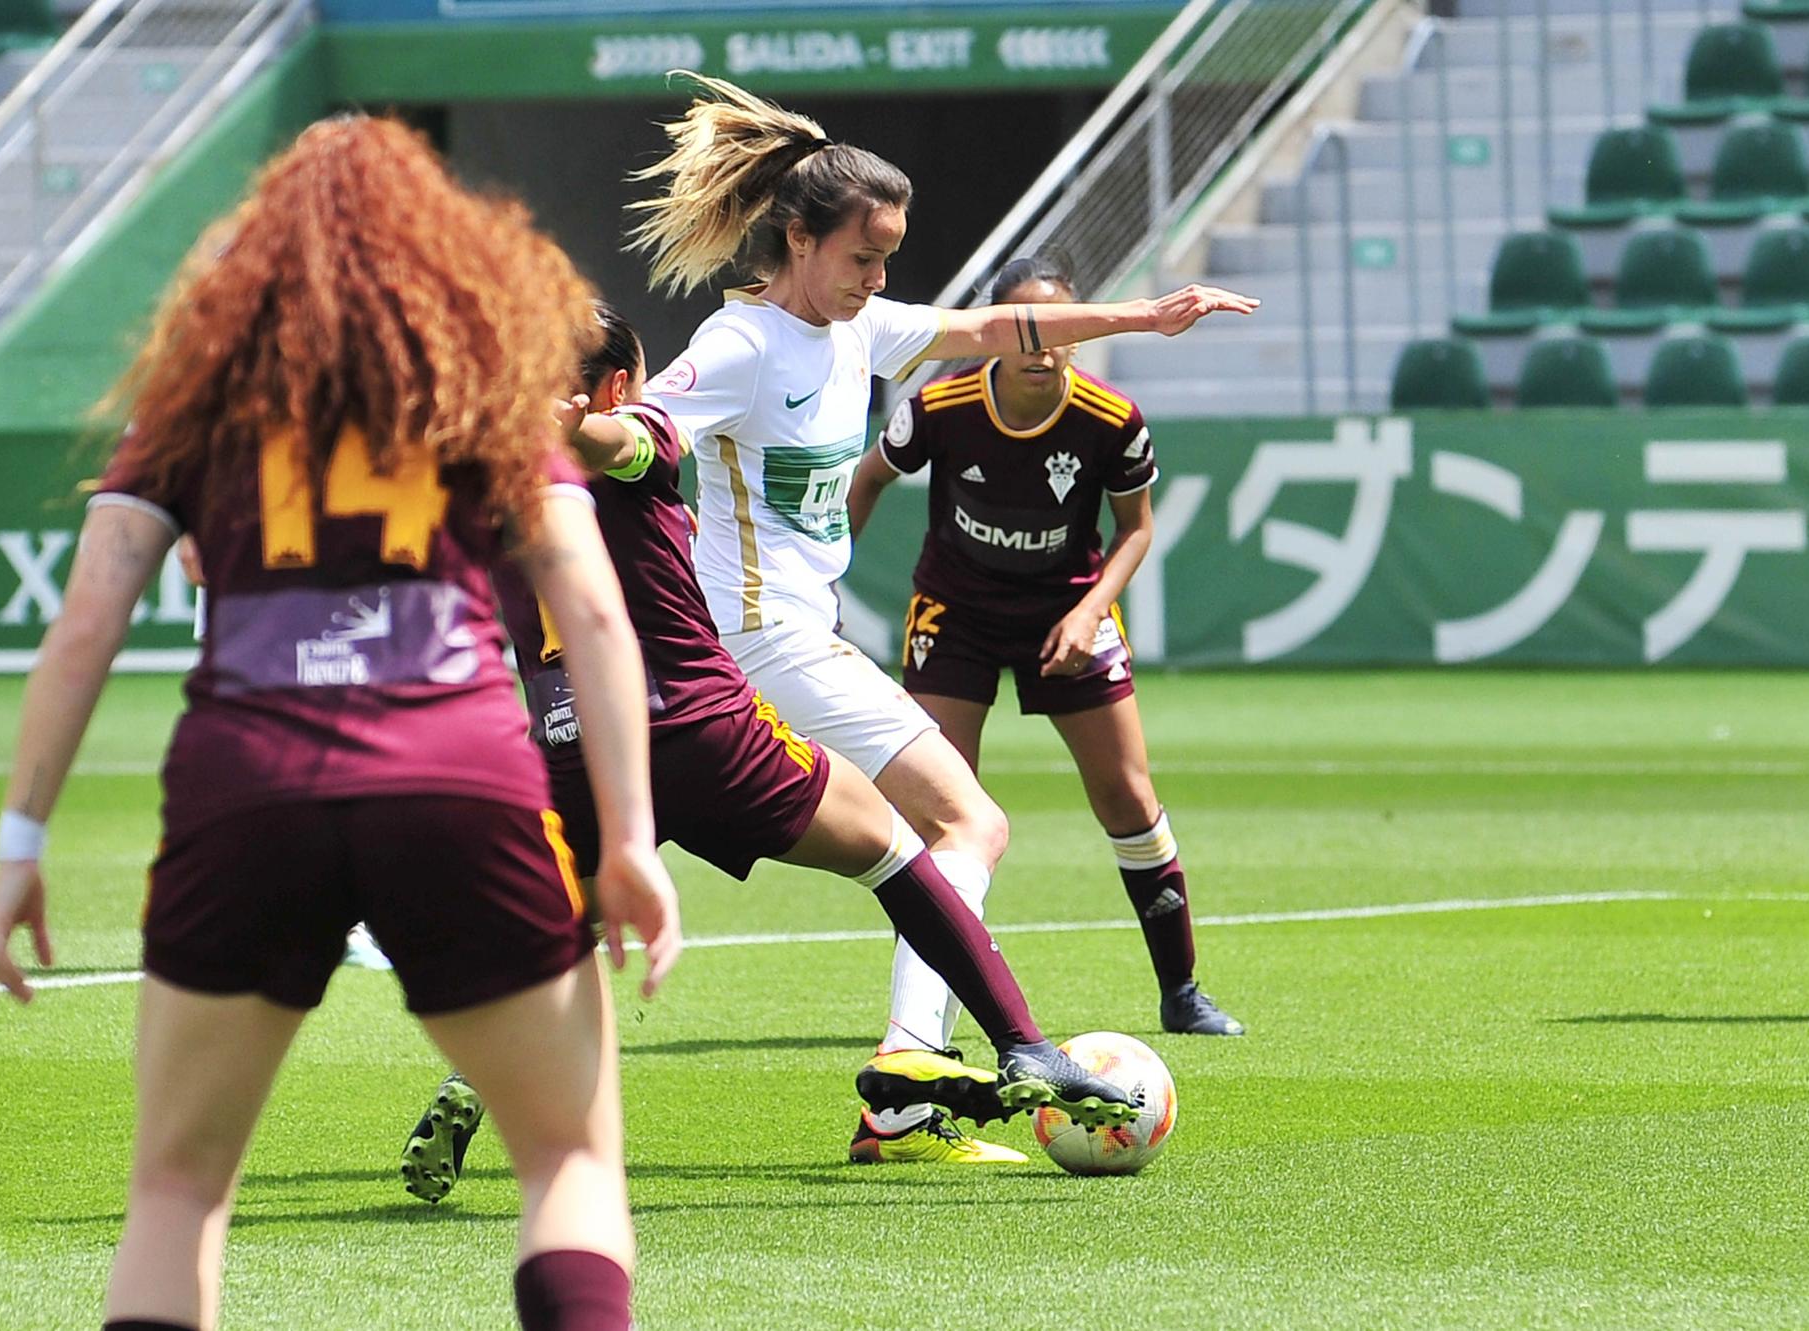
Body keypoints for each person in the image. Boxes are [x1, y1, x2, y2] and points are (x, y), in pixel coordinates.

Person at [0, 117, 679, 1331]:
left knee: (177, 1187)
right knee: (567, 1161)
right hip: (460, 777)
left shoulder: (195, 398)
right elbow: (594, 617)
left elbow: (86, 623)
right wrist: (628, 836)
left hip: (246, 781)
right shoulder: (481, 388)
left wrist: (20, 846)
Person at [623, 73, 1257, 1155]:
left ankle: (477, 1041)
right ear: (798, 237)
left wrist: (1143, 317)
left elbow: (995, 323)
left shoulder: (856, 334)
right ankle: (909, 1073)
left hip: (780, 643)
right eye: (862, 257)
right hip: (757, 641)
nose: (877, 279)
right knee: (969, 822)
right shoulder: (740, 346)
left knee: (641, 838)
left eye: (888, 260)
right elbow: (638, 429)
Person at [401, 302, 1141, 1195]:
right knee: (902, 851)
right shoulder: (639, 443)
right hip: (698, 728)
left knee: (567, 928)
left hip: (571, 750)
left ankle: (482, 1075)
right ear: (623, 386)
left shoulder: (485, 486)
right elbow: (623, 449)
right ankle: (1024, 1045)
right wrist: (579, 426)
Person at [848, 255, 1242, 1039]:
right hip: (955, 612)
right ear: (998, 335)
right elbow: (866, 481)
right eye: (1027, 329)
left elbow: (1136, 531)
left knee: (1127, 796)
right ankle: (926, 1012)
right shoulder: (941, 406)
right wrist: (822, 581)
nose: (1043, 346)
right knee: (940, 811)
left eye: (1058, 328)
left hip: (1068, 608)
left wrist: (1092, 611)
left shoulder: (1112, 418)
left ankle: (1182, 989)